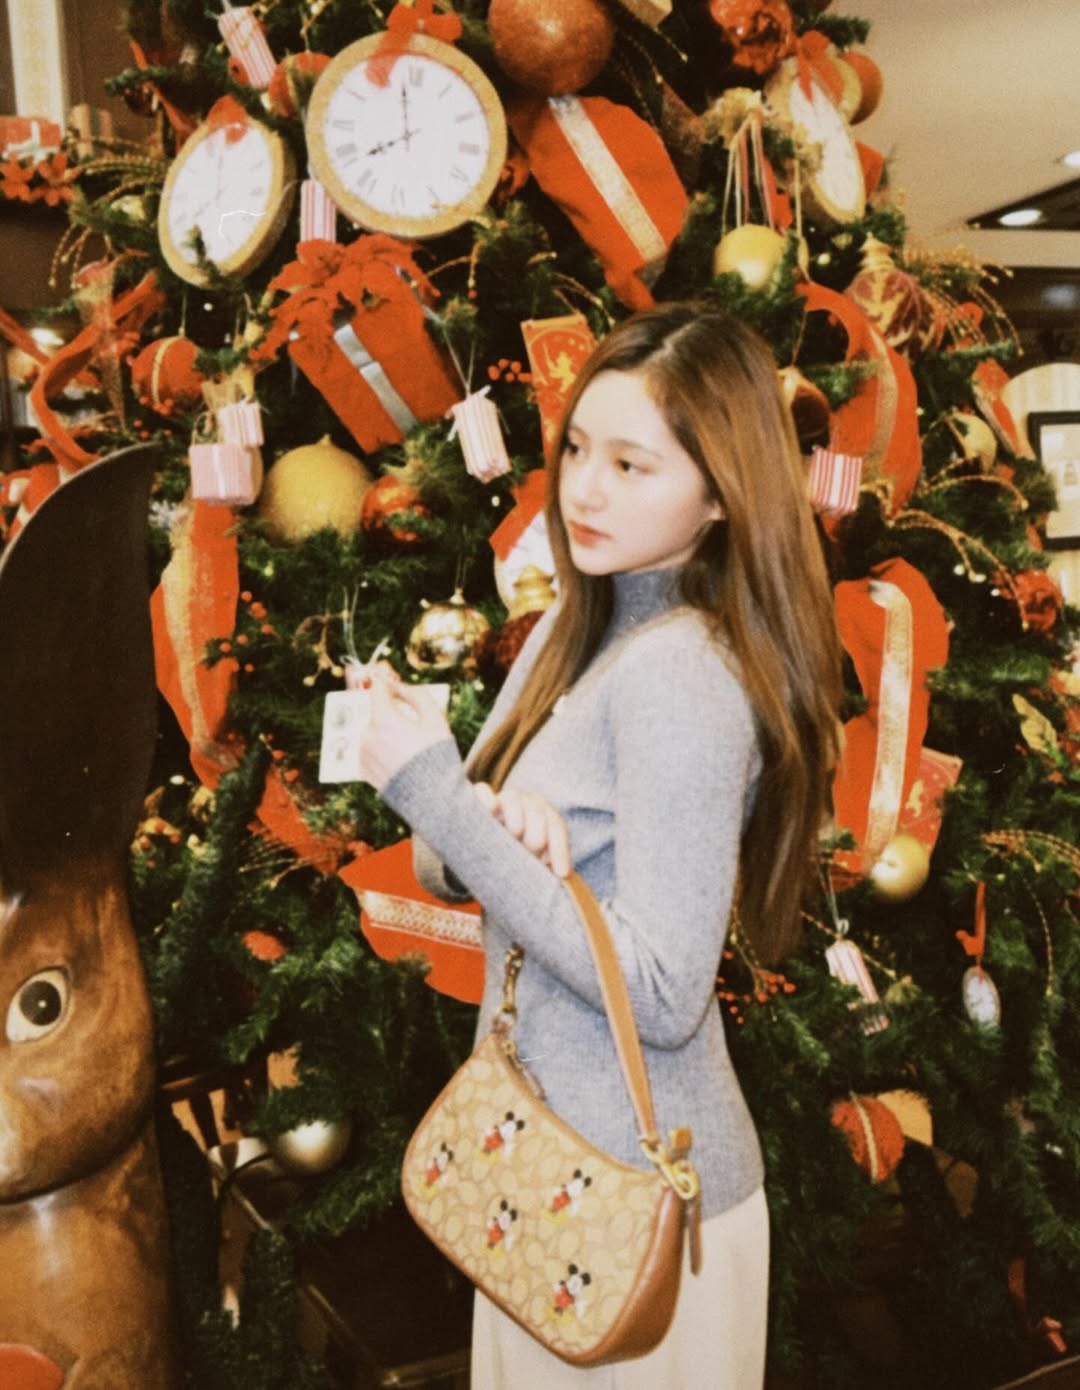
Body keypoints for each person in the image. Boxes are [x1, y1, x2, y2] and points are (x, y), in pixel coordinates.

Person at [357, 302, 843, 1388]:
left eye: (631, 465)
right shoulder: (571, 633)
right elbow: (450, 859)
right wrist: (497, 828)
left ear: (721, 494)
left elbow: (663, 994)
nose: (583, 490)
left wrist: (439, 793)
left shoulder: (683, 673)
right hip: (541, 1182)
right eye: (578, 449)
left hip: (637, 1212)